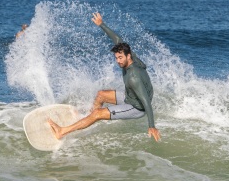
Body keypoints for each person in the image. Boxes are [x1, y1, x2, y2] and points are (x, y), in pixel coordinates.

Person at [48, 12, 161, 142]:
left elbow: (146, 101)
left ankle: (62, 132)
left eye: (120, 58)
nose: (118, 61)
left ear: (128, 56)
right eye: (116, 58)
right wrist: (102, 24)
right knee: (101, 94)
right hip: (130, 96)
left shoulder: (133, 77)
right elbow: (118, 40)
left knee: (98, 114)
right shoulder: (131, 57)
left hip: (136, 107)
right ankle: (88, 119)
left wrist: (152, 126)